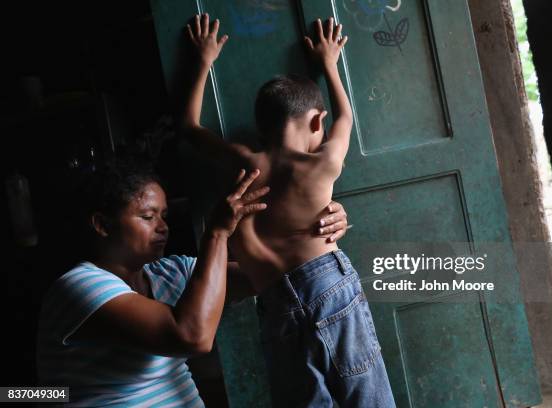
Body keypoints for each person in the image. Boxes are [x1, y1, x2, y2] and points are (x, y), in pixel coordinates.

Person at [183, 14, 396, 407]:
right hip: (327, 286)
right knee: (367, 397)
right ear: (318, 121)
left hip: (274, 300)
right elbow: (346, 118)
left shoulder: (240, 162)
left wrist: (204, 60)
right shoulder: (323, 163)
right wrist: (330, 64)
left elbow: (190, 126)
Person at [36, 159, 349, 407]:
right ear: (103, 225)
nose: (163, 228)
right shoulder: (80, 286)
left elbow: (275, 276)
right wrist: (216, 234)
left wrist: (318, 227)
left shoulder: (170, 272)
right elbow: (192, 336)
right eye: (148, 217)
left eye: (164, 216)